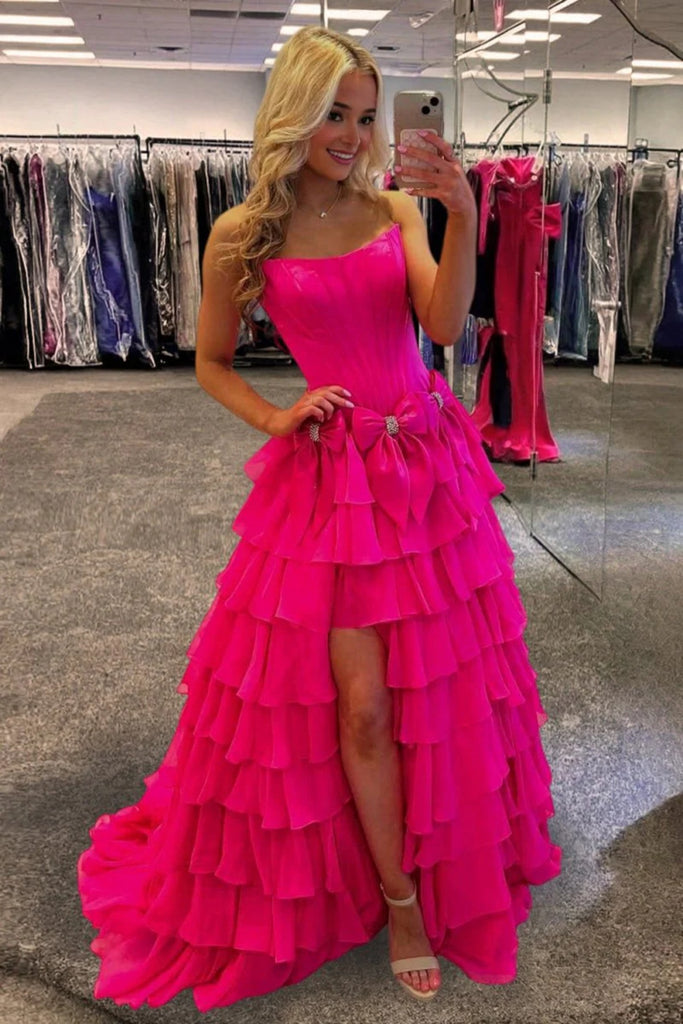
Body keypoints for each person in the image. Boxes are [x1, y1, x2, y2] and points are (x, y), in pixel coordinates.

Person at [77, 25, 562, 1012]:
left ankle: (434, 861)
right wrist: (274, 414)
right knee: (362, 706)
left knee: (441, 687)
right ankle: (400, 901)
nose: (351, 135)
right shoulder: (241, 233)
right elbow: (212, 360)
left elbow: (441, 325)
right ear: (293, 113)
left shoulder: (393, 208)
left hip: (426, 473)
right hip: (333, 484)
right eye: (333, 114)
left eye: (365, 116)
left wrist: (463, 214)